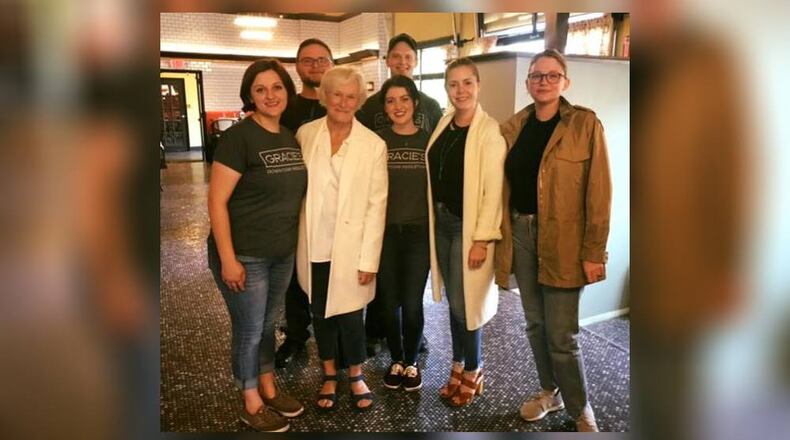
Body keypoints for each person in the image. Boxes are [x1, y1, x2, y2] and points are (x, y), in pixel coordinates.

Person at [494, 49, 612, 432]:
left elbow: (599, 193)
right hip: (522, 233)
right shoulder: (513, 127)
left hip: (564, 240)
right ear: (527, 83)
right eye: (536, 75)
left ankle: (579, 408)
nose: (543, 81)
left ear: (565, 81)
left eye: (551, 75)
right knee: (534, 324)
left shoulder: (585, 125)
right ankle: (549, 390)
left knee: (562, 334)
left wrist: (594, 252)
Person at [206, 59, 307, 432]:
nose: (270, 95)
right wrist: (229, 260)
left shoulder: (288, 135)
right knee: (249, 330)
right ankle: (250, 401)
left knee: (266, 327)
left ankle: (268, 386)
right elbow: (216, 201)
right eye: (261, 89)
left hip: (281, 252)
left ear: (287, 91)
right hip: (245, 253)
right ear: (250, 94)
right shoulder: (238, 138)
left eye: (277, 87)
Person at [294, 66, 387, 412]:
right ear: (325, 96)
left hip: (352, 246)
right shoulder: (306, 134)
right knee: (321, 312)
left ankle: (357, 374)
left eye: (351, 96)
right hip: (314, 241)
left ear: (360, 100)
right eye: (337, 94)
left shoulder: (373, 144)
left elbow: (377, 206)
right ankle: (329, 373)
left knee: (350, 314)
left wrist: (369, 260)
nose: (343, 102)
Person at [426, 58, 506, 407]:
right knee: (454, 306)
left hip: (468, 228)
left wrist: (482, 238)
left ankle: (474, 369)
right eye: (453, 84)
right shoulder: (445, 124)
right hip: (442, 224)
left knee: (466, 305)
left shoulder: (488, 131)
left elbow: (493, 190)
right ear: (446, 89)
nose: (461, 91)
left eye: (467, 83)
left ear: (478, 86)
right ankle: (458, 364)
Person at [356, 32, 442, 357]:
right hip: (384, 219)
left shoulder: (431, 108)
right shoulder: (370, 109)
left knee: (410, 295)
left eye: (409, 57)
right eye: (397, 57)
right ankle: (377, 336)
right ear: (388, 60)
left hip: (417, 220)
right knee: (383, 291)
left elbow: (437, 155)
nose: (403, 62)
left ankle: (412, 343)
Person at [275, 38, 334, 368]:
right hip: (293, 205)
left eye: (321, 59)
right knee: (293, 278)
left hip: (333, 209)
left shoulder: (339, 106)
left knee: (334, 274)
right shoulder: (287, 109)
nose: (315, 66)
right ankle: (296, 336)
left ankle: (337, 334)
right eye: (308, 60)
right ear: (297, 66)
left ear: (331, 64)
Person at [375, 75, 431, 392]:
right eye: (391, 100)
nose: (398, 106)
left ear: (415, 103)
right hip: (384, 234)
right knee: (388, 303)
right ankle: (394, 359)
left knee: (411, 302)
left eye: (404, 99)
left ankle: (411, 362)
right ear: (385, 106)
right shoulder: (377, 141)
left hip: (418, 234)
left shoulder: (429, 139)